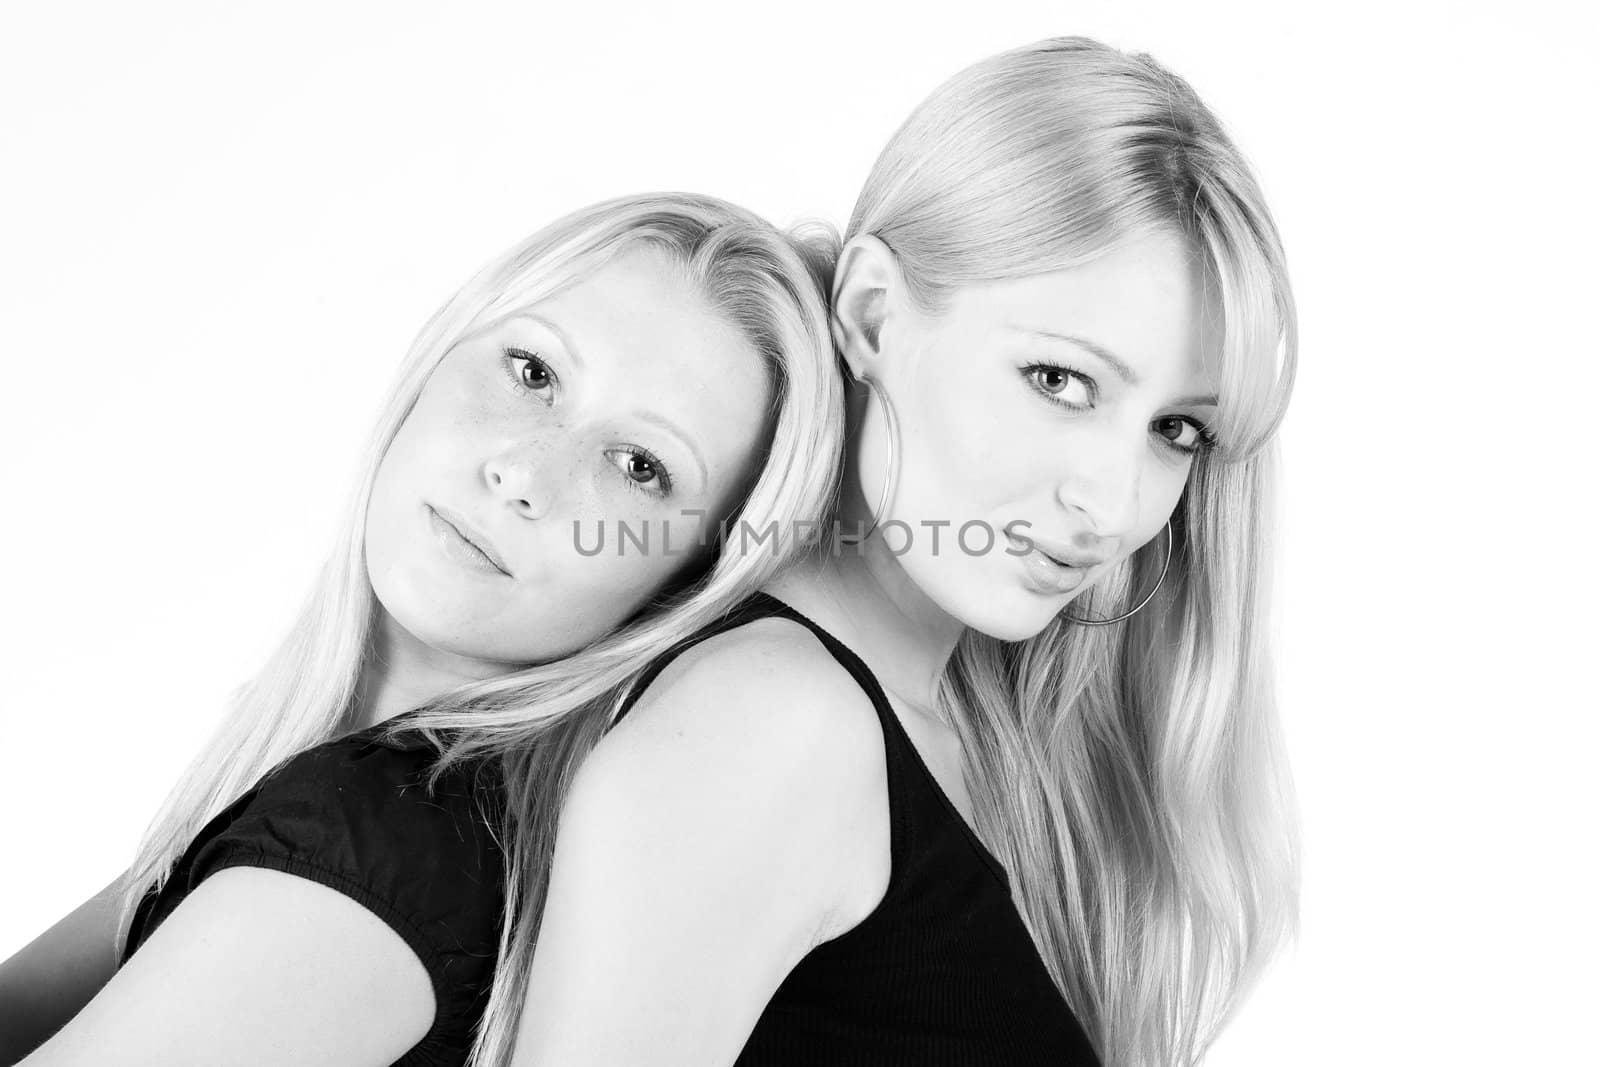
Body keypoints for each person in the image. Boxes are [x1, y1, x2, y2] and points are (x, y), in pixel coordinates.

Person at [512, 38, 1299, 1067]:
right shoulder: (769, 726)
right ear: (874, 316)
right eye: (1060, 380)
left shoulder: (976, 734)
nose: (1110, 503)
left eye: (1176, 430)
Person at [0, 192, 845, 1066]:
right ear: (442, 350)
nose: (525, 473)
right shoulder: (337, 789)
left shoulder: (386, 845)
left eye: (640, 468)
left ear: (686, 586)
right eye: (533, 371)